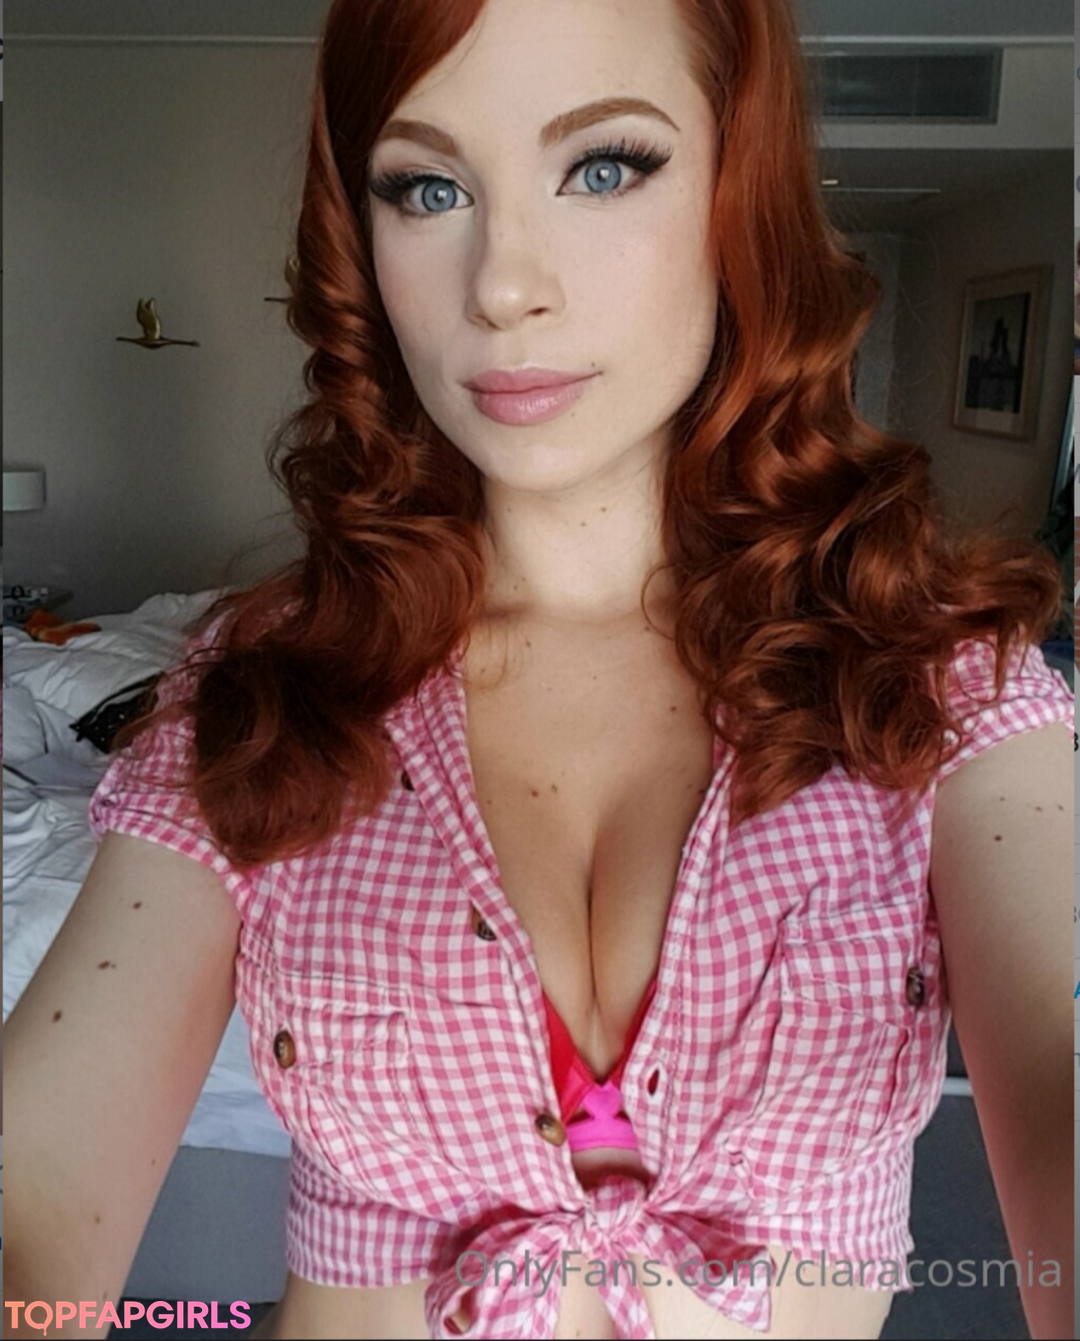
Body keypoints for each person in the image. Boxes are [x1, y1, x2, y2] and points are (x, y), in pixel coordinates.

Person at [4, 0, 1073, 1338]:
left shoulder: (939, 682)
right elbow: (36, 1184)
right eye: (428, 187)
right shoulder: (262, 692)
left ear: (740, 197)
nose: (503, 285)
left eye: (605, 165)